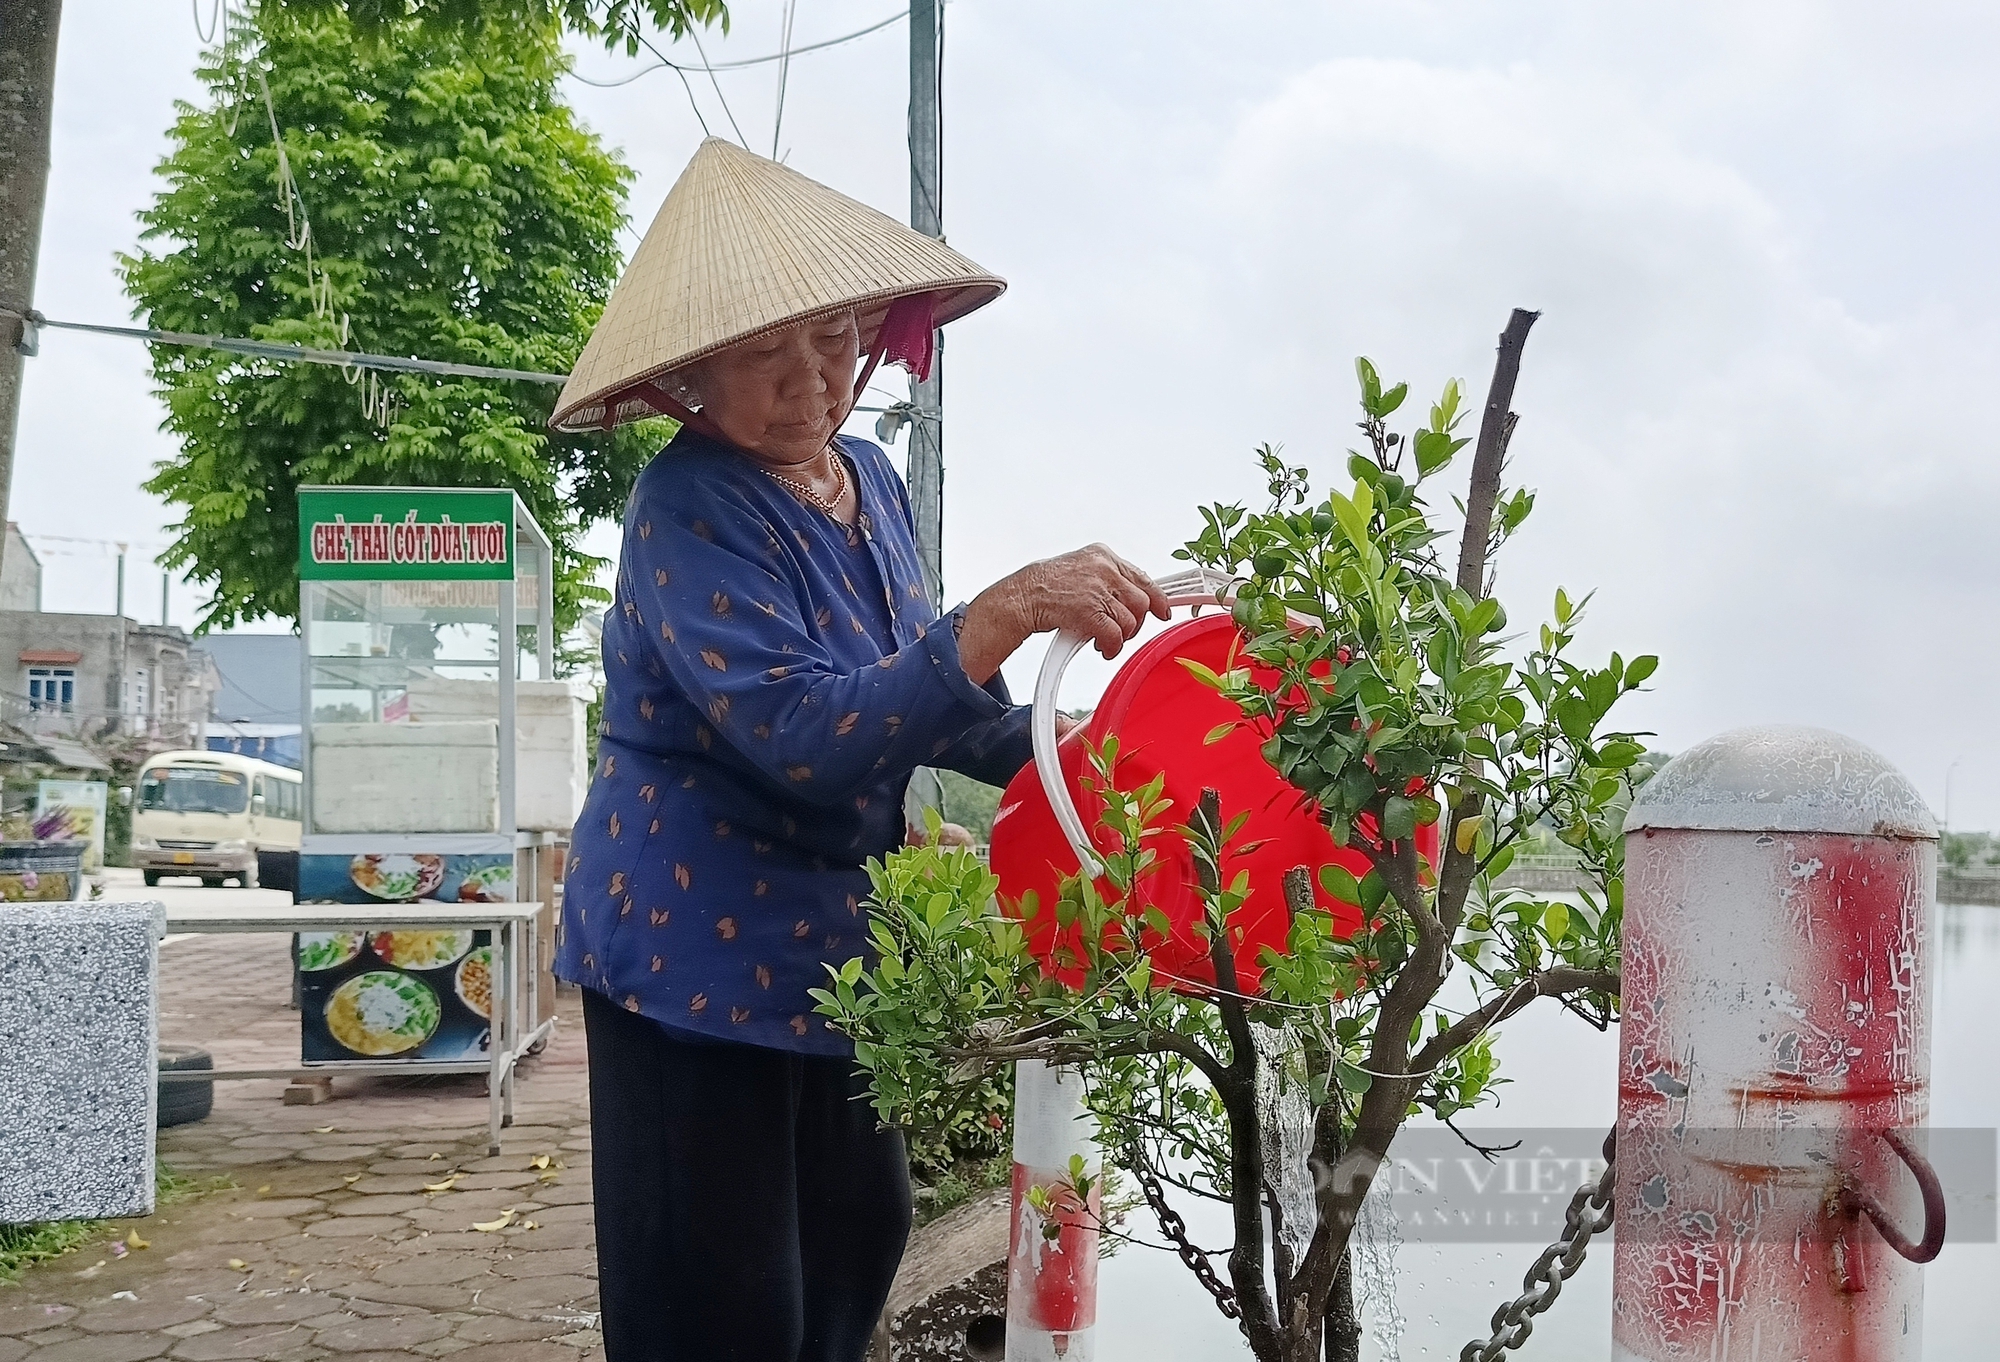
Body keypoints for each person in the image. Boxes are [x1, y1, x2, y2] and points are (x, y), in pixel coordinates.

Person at [548, 139, 1168, 1362]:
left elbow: (922, 701)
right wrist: (1000, 613)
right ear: (689, 378)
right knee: (722, 1305)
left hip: (832, 964)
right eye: (761, 354)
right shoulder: (688, 507)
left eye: (831, 339)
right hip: (690, 968)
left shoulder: (869, 479)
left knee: (855, 1240)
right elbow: (807, 736)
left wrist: (1094, 751)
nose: (808, 383)